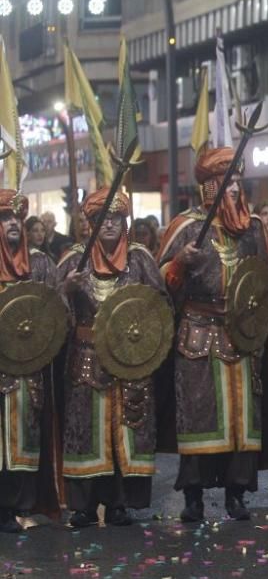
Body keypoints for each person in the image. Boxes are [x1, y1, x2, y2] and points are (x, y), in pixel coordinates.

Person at [158, 147, 268, 522]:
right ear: (208, 188)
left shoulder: (253, 228)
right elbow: (160, 283)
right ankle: (193, 496)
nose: (235, 189)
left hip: (240, 333)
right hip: (198, 333)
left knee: (242, 420)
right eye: (226, 183)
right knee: (198, 416)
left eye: (239, 182)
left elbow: (263, 276)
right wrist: (179, 264)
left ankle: (237, 493)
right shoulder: (186, 226)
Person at [57, 189, 169, 528]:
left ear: (125, 222)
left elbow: (162, 304)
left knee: (128, 429)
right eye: (102, 219)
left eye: (116, 218)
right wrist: (66, 290)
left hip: (131, 359)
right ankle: (84, 506)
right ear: (89, 223)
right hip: (86, 358)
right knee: (85, 429)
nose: (109, 224)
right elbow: (49, 313)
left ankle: (120, 503)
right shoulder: (73, 260)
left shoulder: (140, 259)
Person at [0, 191, 58, 533]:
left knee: (23, 440)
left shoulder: (39, 264)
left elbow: (56, 311)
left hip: (27, 371)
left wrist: (66, 289)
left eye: (16, 219)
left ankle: (15, 507)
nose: (11, 224)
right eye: (5, 218)